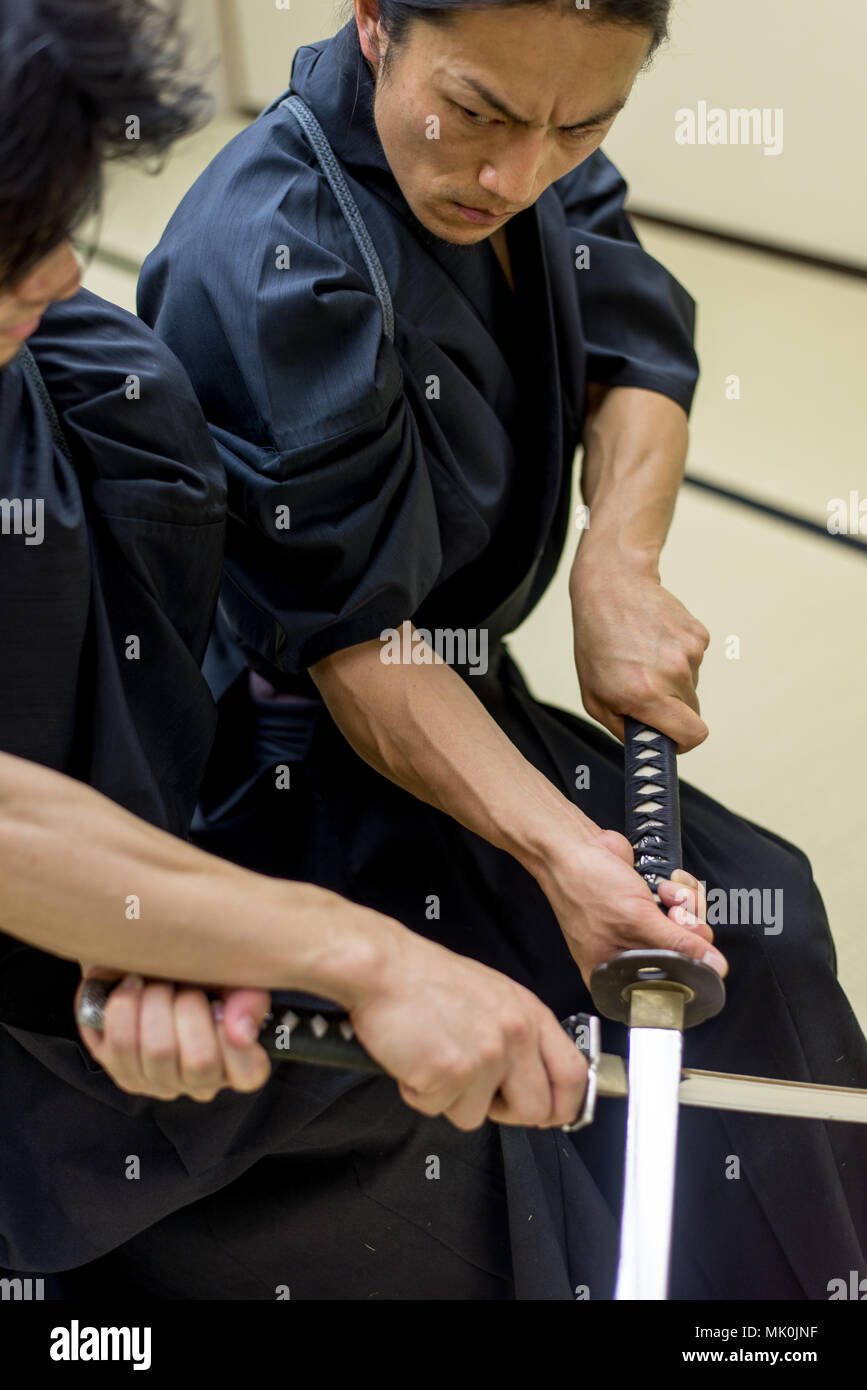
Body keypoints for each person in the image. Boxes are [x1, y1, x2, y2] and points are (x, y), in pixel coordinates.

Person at [137, 0, 867, 1299]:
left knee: (766, 929)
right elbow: (359, 647)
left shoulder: (526, 125)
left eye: (580, 124)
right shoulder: (275, 257)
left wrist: (617, 560)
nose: (519, 172)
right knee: (528, 1093)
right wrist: (564, 856)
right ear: (376, 22)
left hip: (450, 676)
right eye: (478, 113)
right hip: (301, 751)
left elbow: (637, 338)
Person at [0, 0, 589, 1289]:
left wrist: (143, 916)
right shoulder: (274, 242)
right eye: (9, 253)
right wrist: (347, 951)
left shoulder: (64, 350)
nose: (55, 275)